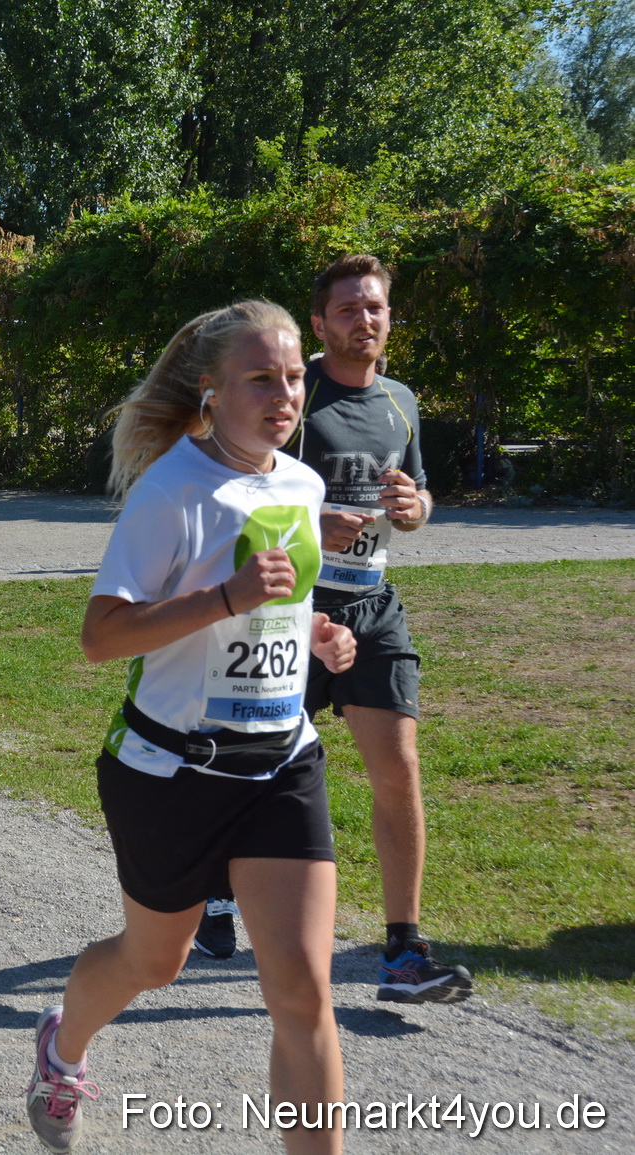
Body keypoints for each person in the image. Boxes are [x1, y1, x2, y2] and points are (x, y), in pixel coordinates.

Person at [23, 301, 356, 1155]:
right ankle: (63, 1048)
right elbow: (100, 635)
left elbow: (277, 605)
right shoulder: (171, 489)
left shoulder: (302, 483)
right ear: (210, 389)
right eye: (260, 378)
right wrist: (225, 600)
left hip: (281, 763)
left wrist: (316, 635)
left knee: (303, 993)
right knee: (153, 961)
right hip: (170, 771)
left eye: (292, 377)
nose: (284, 394)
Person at [240, 253, 466, 1003]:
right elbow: (240, 488)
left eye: (374, 308)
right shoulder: (292, 392)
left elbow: (422, 491)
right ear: (319, 322)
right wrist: (311, 519)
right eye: (348, 310)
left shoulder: (401, 400)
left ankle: (403, 951)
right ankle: (210, 887)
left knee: (398, 765)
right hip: (291, 607)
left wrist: (416, 509)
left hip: (373, 603)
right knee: (256, 762)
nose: (364, 321)